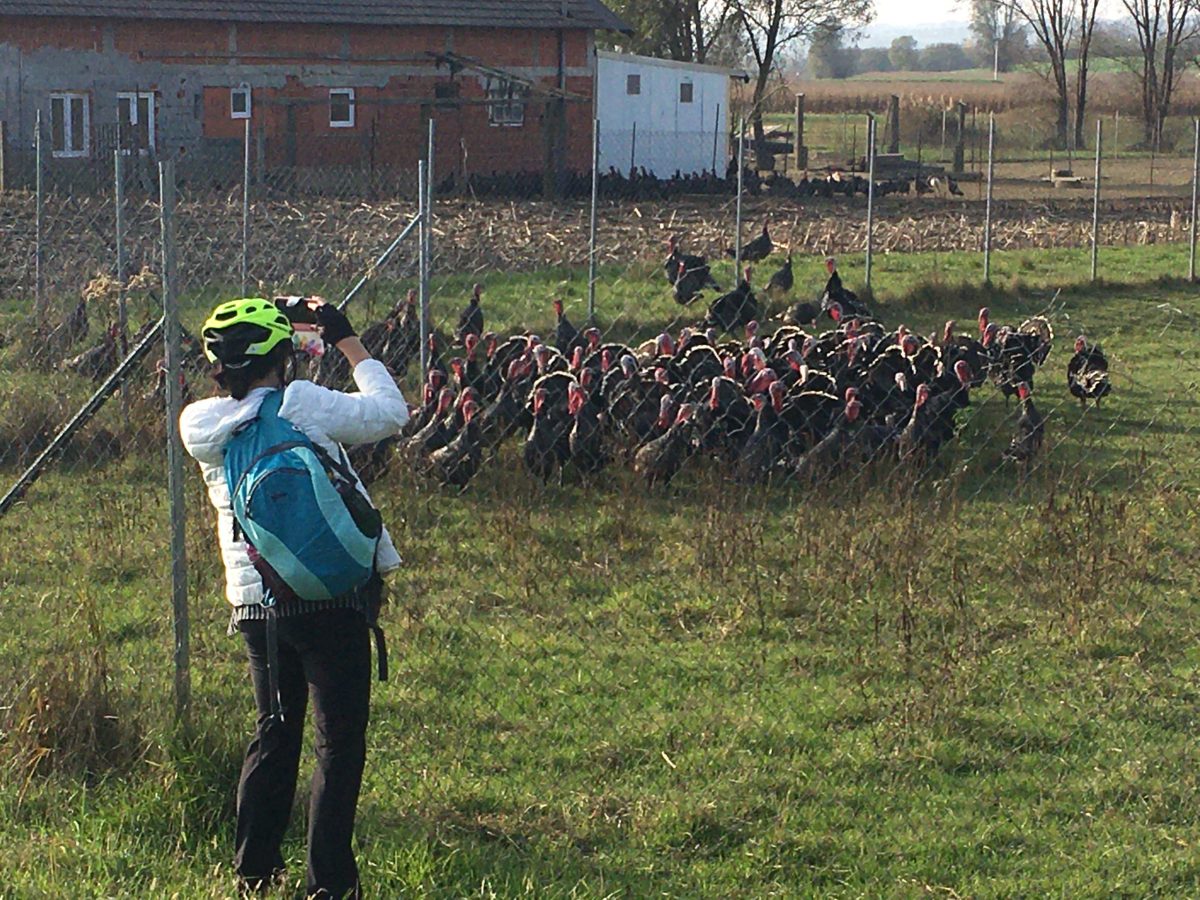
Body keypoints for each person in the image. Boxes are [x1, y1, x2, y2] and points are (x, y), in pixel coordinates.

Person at [179, 298, 409, 899]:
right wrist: (345, 339)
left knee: (274, 733)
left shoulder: (199, 425)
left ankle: (254, 871)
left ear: (217, 364)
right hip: (331, 597)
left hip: (257, 604)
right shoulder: (302, 403)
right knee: (338, 744)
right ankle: (329, 884)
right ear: (283, 356)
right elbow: (392, 412)